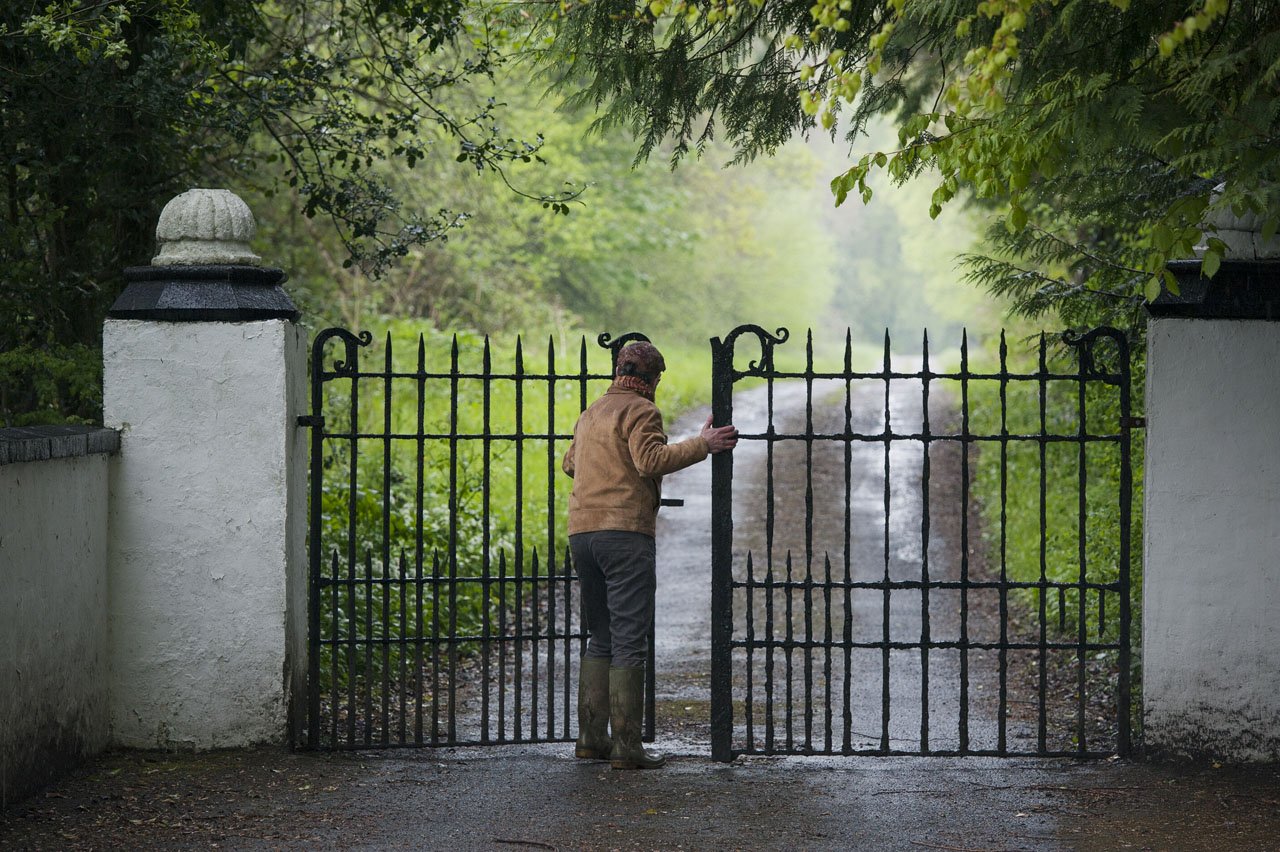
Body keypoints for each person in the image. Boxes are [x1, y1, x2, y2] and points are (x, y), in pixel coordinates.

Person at [561, 340, 738, 770]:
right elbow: (650, 460)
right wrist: (703, 444)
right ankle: (627, 746)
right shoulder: (641, 411)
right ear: (652, 378)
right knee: (628, 639)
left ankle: (591, 738)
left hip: (582, 533)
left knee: (600, 635)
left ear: (619, 370)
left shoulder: (591, 412)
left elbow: (570, 464)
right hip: (624, 534)